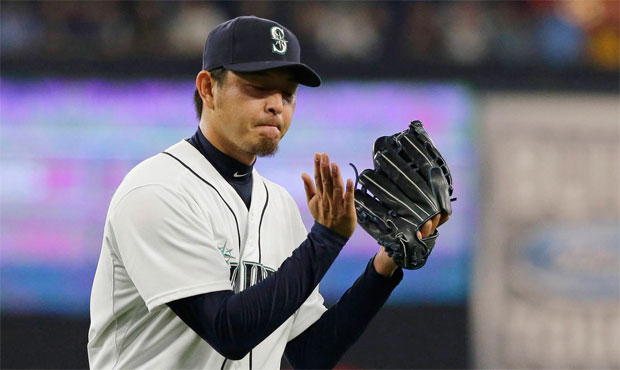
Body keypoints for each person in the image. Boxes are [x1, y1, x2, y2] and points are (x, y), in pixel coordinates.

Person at [88, 15, 442, 369]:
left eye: (287, 93)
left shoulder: (279, 205)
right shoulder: (157, 190)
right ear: (208, 88)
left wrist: (385, 265)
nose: (276, 104)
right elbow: (229, 331)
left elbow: (311, 352)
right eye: (258, 86)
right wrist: (327, 239)